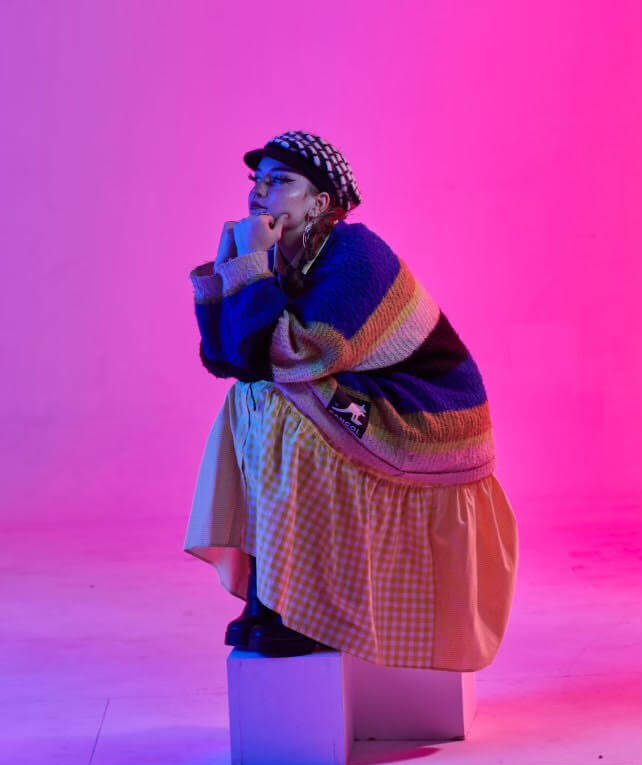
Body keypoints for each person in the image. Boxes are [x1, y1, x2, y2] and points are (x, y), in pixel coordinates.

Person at [183, 130, 519, 666]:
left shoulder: (356, 253)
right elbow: (226, 359)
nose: (259, 193)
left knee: (281, 406)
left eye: (281, 182)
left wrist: (249, 268)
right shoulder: (287, 260)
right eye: (257, 181)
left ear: (320, 203)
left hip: (428, 420)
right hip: (373, 403)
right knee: (249, 399)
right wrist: (234, 263)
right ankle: (270, 591)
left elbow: (303, 355)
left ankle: (297, 607)